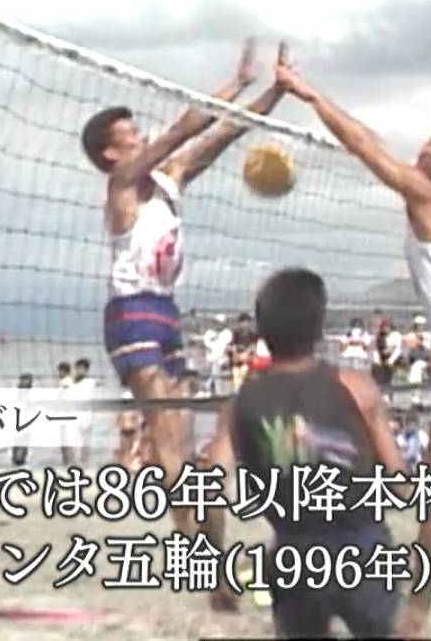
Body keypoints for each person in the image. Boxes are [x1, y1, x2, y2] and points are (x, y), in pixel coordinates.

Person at [275, 62, 431, 636]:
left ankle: (413, 617)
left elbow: (366, 148)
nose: (421, 147)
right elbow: (374, 144)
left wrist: (312, 97)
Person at [81, 40, 289, 536]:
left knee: (182, 434)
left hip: (165, 310)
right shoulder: (123, 183)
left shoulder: (169, 178)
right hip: (131, 312)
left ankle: (200, 538)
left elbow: (227, 132)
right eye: (130, 134)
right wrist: (237, 83)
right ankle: (191, 541)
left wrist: (275, 92)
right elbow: (183, 128)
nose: (140, 136)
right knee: (166, 431)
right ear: (111, 153)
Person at [207, 268, 406, 638]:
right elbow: (399, 483)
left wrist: (218, 569)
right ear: (319, 329)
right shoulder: (356, 388)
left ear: (262, 331)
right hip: (360, 542)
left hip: (293, 548)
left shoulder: (241, 405)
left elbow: (208, 491)